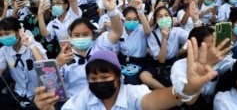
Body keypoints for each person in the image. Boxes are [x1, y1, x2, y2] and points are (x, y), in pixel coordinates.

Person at [33, 37, 218, 110]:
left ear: (118, 76)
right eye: (93, 78)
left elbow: (153, 101)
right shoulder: (83, 99)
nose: (98, 82)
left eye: (105, 77)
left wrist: (186, 90)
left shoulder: (132, 93)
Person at [55, 0, 123, 98]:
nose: (81, 37)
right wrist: (57, 64)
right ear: (70, 37)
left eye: (85, 34)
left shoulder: (100, 44)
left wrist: (111, 10)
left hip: (104, 97)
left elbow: (117, 32)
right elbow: (53, 86)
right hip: (75, 101)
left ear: (93, 35)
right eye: (76, 35)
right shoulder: (64, 55)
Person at [170, 26, 233, 110]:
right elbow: (188, 101)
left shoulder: (219, 59)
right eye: (210, 47)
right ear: (194, 46)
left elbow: (234, 66)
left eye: (215, 46)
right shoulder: (180, 66)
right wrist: (208, 65)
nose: (214, 51)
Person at [0, 17, 47, 108]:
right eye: (1, 35)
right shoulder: (3, 50)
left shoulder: (33, 46)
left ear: (18, 32)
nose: (4, 37)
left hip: (39, 92)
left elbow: (45, 67)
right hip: (19, 92)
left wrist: (31, 46)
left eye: (7, 34)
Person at [140, 6, 189, 89]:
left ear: (170, 17)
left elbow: (193, 37)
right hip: (157, 62)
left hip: (173, 60)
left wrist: (181, 51)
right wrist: (164, 38)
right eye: (160, 16)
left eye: (166, 15)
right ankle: (166, 92)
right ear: (156, 20)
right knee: (144, 76)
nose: (164, 18)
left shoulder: (177, 31)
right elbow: (161, 59)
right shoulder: (152, 35)